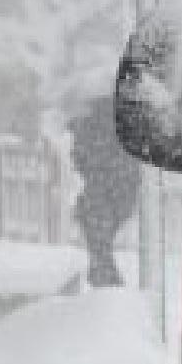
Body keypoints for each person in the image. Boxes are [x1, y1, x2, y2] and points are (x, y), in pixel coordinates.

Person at [69, 93, 141, 287]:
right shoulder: (126, 124)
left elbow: (79, 160)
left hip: (105, 190)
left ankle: (104, 277)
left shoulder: (91, 128)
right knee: (101, 239)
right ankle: (106, 278)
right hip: (117, 188)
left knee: (99, 239)